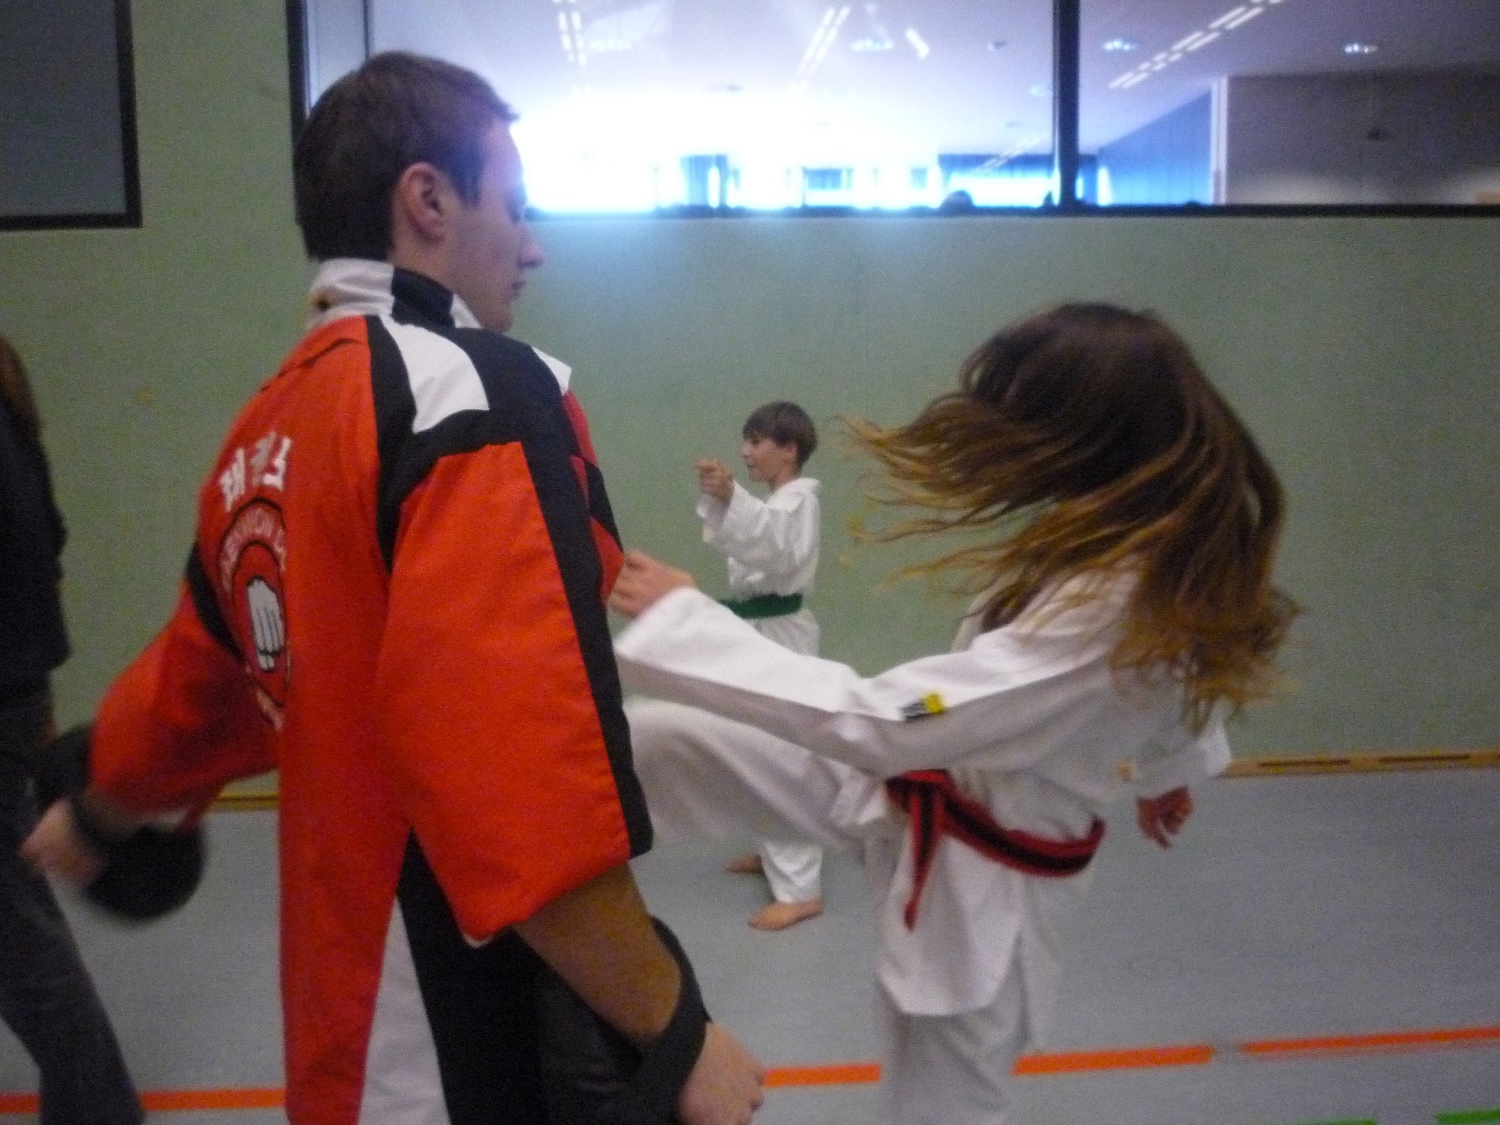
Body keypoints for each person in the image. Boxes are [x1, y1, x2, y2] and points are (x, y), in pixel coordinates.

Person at [21, 53, 763, 1125]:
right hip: (466, 1039)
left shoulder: (262, 434)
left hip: (346, 1042)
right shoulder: (471, 394)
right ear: (427, 201)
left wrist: (95, 809)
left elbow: (194, 692)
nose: (533, 244)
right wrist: (675, 1029)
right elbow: (518, 787)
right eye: (514, 204)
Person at [607, 302, 1297, 1125]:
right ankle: (521, 863)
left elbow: (894, 723)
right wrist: (1170, 771)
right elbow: (1181, 676)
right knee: (659, 740)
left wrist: (690, 624)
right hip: (932, 791)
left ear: (1084, 433)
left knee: (940, 1109)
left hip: (982, 893)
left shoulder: (1119, 605)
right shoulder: (1131, 548)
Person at [0, 334, 144, 1125]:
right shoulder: (8, 394)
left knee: (16, 934)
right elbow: (47, 539)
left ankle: (99, 1110)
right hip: (15, 689)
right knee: (17, 914)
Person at [630, 402, 826, 930]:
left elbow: (774, 550)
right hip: (758, 631)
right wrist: (729, 498)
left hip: (780, 637)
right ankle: (773, 852)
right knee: (749, 743)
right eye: (746, 441)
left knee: (779, 750)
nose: (746, 452)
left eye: (757, 442)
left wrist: (732, 496)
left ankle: (801, 888)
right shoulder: (779, 503)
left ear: (789, 449)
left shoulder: (799, 503)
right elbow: (757, 536)